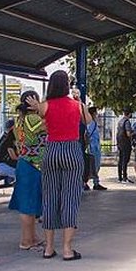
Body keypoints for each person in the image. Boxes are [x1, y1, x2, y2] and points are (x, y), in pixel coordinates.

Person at [26, 70, 92, 260]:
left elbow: (40, 120)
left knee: (50, 197)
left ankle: (48, 248)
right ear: (67, 86)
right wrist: (80, 101)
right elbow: (89, 122)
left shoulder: (45, 106)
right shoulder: (77, 106)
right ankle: (67, 249)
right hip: (72, 150)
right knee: (70, 197)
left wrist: (37, 106)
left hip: (52, 150)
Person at [8, 91, 45, 251]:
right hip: (33, 165)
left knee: (29, 204)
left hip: (24, 163)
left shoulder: (19, 120)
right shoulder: (33, 119)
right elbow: (50, 124)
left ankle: (32, 237)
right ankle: (25, 240)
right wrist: (43, 108)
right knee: (28, 205)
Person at [86, 106, 106, 191]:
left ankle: (95, 182)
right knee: (94, 166)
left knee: (95, 166)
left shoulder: (92, 122)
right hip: (93, 147)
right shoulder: (91, 123)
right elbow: (87, 134)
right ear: (93, 114)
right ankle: (94, 182)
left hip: (95, 146)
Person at [116, 109, 133, 183]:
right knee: (125, 160)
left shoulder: (120, 121)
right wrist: (134, 133)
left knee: (120, 160)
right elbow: (128, 134)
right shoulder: (127, 122)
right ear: (129, 114)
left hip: (120, 143)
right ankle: (124, 177)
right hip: (126, 143)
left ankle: (120, 177)